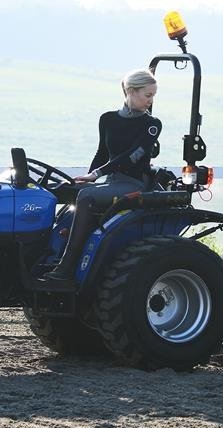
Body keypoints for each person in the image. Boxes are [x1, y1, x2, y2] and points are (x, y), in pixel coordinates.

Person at [44, 69, 162, 281]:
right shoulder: (107, 119)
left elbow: (132, 157)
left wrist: (96, 175)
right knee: (63, 190)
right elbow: (102, 153)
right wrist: (88, 176)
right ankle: (45, 256)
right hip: (111, 181)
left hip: (134, 183)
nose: (150, 101)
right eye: (148, 95)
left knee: (87, 197)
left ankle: (66, 268)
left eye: (153, 96)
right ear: (131, 91)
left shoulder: (151, 125)